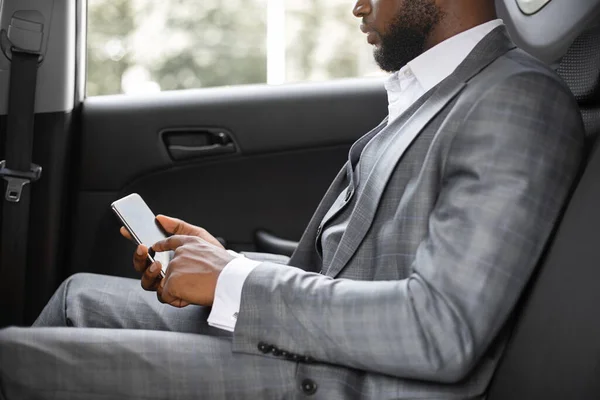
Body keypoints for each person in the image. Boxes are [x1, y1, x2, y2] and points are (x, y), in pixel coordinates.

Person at [0, 0, 585, 399]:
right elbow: (352, 272)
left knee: (13, 359)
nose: (356, 5)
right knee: (80, 296)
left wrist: (236, 282)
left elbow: (440, 328)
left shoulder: (515, 99)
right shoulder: (437, 94)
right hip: (329, 353)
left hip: (355, 383)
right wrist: (228, 265)